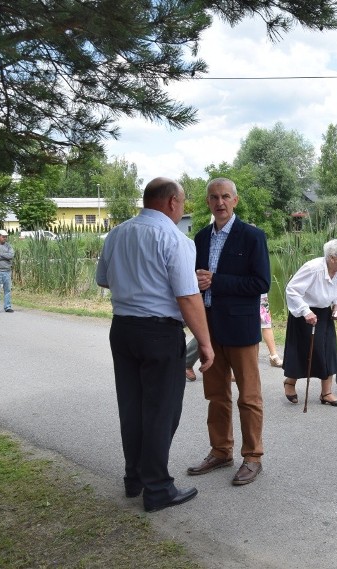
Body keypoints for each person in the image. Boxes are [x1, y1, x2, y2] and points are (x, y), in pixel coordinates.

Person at [96, 177, 213, 513]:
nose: (183, 209)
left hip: (123, 329)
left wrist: (137, 280)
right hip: (159, 333)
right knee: (161, 411)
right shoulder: (175, 239)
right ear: (172, 202)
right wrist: (204, 343)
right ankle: (158, 487)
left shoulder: (117, 233)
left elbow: (104, 279)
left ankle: (134, 478)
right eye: (183, 202)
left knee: (132, 407)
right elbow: (188, 297)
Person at [186, 178, 270, 487]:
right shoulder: (200, 237)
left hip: (241, 329)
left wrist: (216, 280)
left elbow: (261, 283)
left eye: (225, 197)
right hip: (209, 328)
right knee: (216, 395)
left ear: (234, 201)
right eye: (213, 197)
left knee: (248, 396)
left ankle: (253, 456)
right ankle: (221, 451)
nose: (219, 202)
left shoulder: (252, 237)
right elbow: (194, 280)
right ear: (207, 202)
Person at [282, 239, 337, 408]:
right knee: (304, 351)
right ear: (332, 258)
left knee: (329, 351)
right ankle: (290, 383)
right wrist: (306, 311)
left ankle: (326, 393)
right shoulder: (313, 268)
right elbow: (292, 289)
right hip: (304, 313)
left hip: (324, 313)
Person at [184, 293, 281, 381]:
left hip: (255, 293)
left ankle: (272, 356)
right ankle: (187, 361)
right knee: (213, 330)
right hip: (232, 296)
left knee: (264, 322)